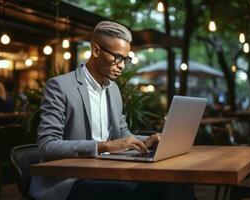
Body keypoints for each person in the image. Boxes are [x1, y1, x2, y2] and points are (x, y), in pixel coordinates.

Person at [30, 21, 194, 200]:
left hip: (106, 173)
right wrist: (104, 146)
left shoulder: (113, 90)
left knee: (175, 180)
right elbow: (47, 146)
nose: (122, 65)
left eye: (126, 59)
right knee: (141, 193)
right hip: (69, 181)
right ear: (96, 51)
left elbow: (122, 134)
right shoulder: (60, 86)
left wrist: (148, 141)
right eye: (118, 57)